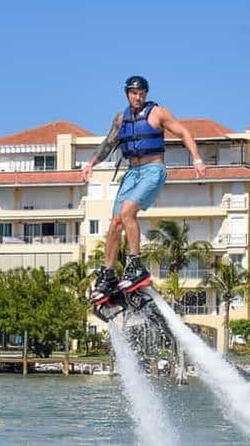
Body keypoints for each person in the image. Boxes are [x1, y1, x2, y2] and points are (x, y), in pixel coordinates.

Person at [82, 75, 206, 307]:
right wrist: (90, 163)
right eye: (133, 93)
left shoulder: (158, 113)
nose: (137, 97)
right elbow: (108, 144)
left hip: (153, 170)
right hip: (131, 172)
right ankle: (108, 276)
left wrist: (197, 159)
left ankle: (135, 265)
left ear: (146, 94)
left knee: (128, 212)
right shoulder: (121, 119)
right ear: (127, 93)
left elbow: (184, 133)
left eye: (141, 93)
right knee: (115, 223)